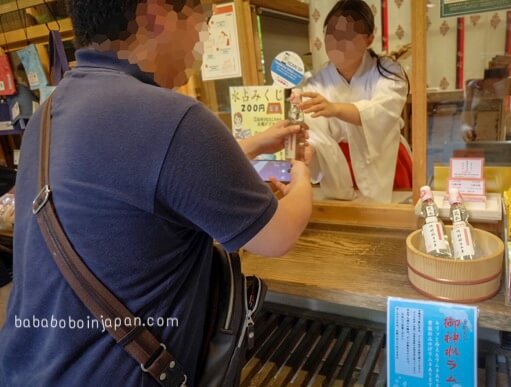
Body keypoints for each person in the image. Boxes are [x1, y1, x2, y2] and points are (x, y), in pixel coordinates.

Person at [0, 1, 312, 385]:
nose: (203, 40)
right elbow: (278, 235)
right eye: (203, 21)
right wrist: (302, 173)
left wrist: (252, 145)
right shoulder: (174, 116)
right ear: (156, 16)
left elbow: (148, 175)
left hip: (26, 369)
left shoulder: (48, 114)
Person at [300, 0, 411, 203]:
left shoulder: (388, 71)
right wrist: (309, 147)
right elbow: (313, 128)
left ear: (369, 39)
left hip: (385, 163)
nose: (336, 42)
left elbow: (382, 110)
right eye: (331, 33)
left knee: (390, 226)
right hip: (337, 168)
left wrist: (335, 109)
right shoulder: (317, 81)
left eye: (348, 35)